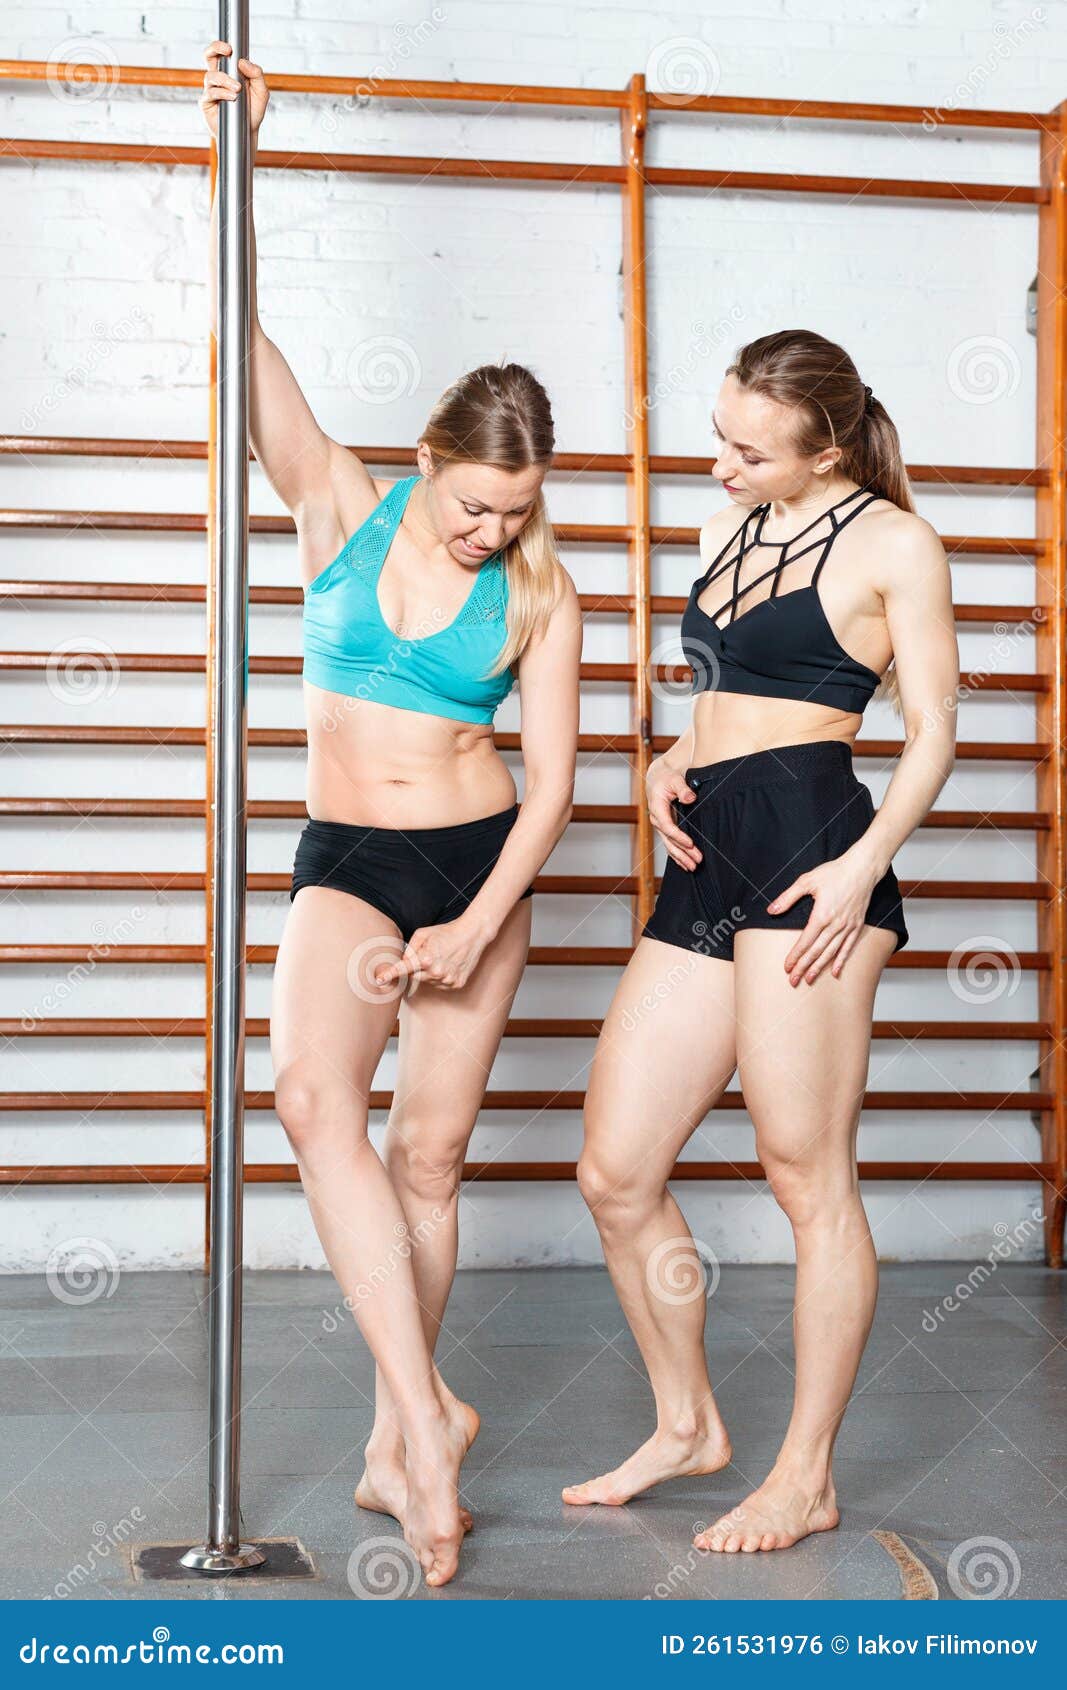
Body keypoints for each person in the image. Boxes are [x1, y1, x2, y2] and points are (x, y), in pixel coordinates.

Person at [200, 42, 581, 1589]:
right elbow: (241, 350)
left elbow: (553, 783)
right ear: (428, 462)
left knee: (427, 1162)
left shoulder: (544, 586)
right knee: (310, 1102)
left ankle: (385, 1433)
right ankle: (428, 1417)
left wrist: (477, 921)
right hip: (351, 861)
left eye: (517, 508)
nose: (495, 529)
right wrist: (243, 163)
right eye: (475, 502)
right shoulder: (339, 503)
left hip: (476, 869)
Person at [562, 329, 959, 1555]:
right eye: (718, 434)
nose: (721, 461)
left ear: (824, 446)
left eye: (748, 448)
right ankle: (687, 1423)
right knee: (612, 1169)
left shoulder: (893, 542)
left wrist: (854, 870)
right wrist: (660, 765)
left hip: (812, 844)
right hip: (710, 848)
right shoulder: (723, 529)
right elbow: (714, 703)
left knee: (804, 1174)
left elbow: (934, 734)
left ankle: (804, 1473)